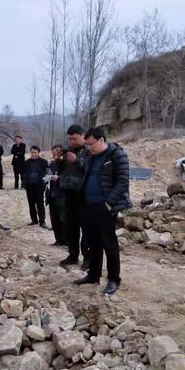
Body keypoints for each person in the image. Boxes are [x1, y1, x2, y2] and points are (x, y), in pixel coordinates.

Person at [74, 127, 131, 295]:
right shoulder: (91, 157)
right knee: (93, 243)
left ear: (101, 140)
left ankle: (113, 279)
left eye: (91, 144)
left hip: (104, 207)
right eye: (87, 145)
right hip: (88, 205)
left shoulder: (117, 155)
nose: (89, 148)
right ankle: (93, 275)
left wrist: (108, 203)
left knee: (109, 243)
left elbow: (123, 181)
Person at [59, 125, 91, 267]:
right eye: (70, 139)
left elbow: (90, 168)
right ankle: (73, 255)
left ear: (83, 136)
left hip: (83, 194)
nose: (72, 141)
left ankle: (88, 258)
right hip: (68, 192)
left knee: (86, 228)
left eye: (75, 138)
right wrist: (59, 161)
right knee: (70, 226)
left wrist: (77, 161)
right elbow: (61, 170)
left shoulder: (90, 150)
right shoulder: (69, 151)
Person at [46, 145, 66, 246]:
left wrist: (59, 178)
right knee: (54, 220)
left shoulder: (67, 164)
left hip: (62, 196)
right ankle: (58, 240)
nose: (55, 156)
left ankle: (66, 241)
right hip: (52, 195)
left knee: (63, 220)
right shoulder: (51, 165)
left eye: (57, 153)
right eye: (54, 154)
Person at [23, 146, 48, 227]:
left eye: (35, 152)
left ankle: (42, 221)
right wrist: (24, 184)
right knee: (31, 204)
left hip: (39, 186)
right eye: (32, 152)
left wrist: (44, 184)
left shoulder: (43, 162)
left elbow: (46, 173)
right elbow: (24, 174)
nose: (33, 154)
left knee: (40, 204)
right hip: (29, 186)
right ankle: (34, 220)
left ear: (38, 153)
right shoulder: (27, 162)